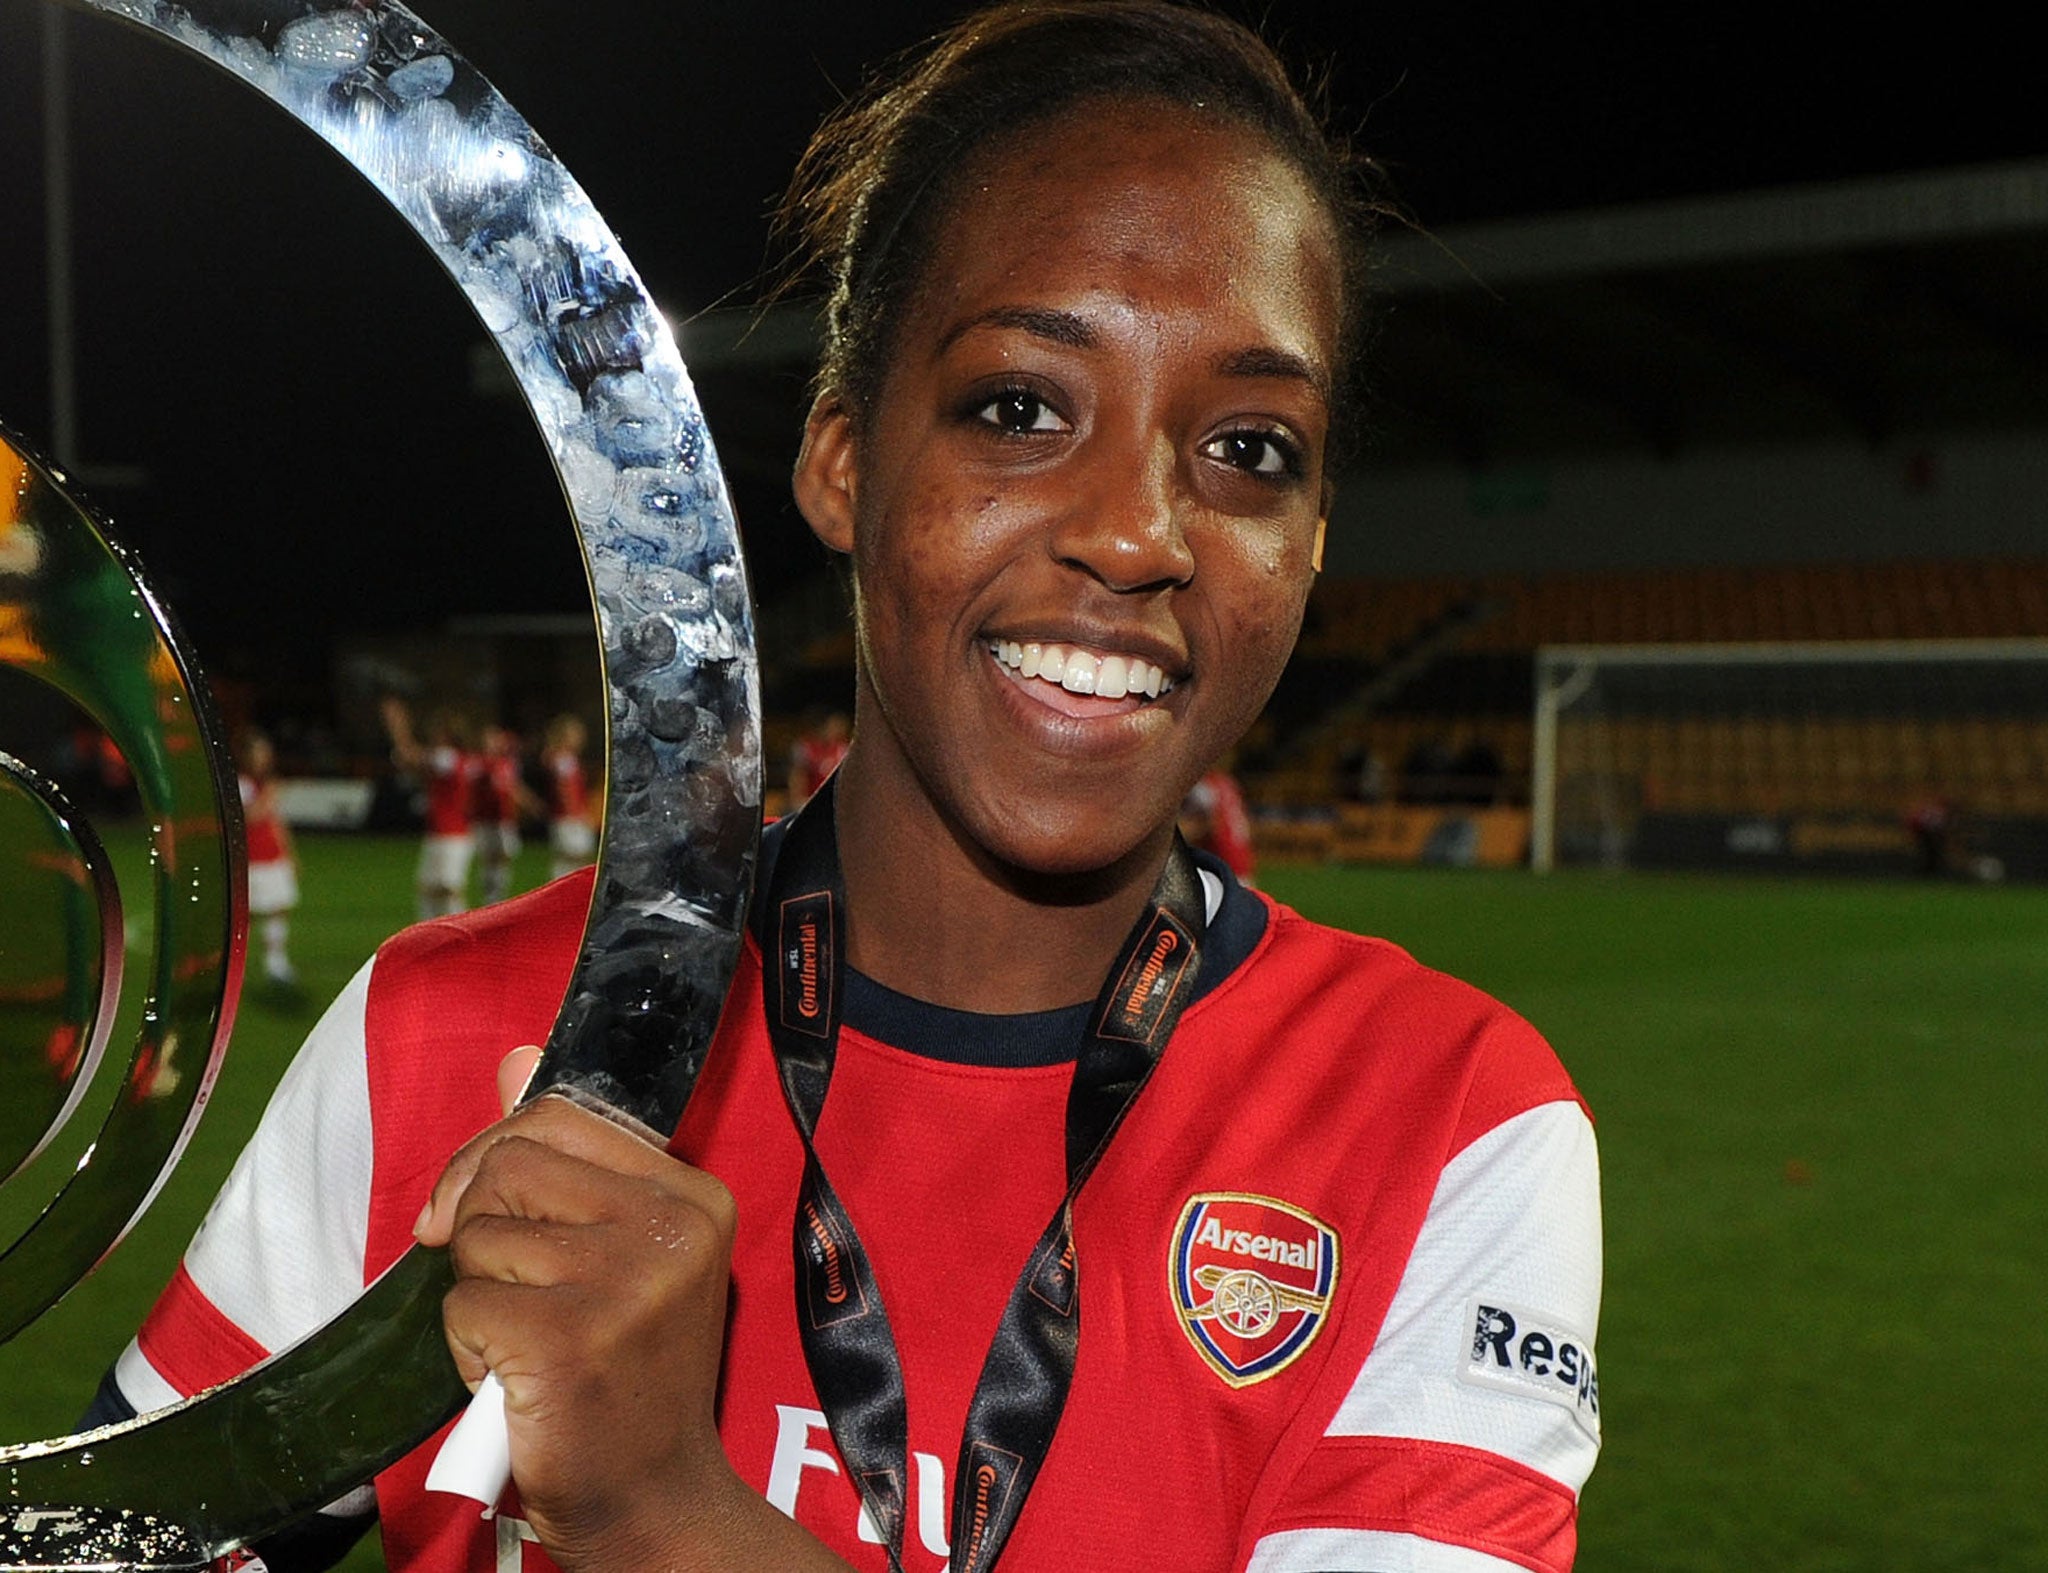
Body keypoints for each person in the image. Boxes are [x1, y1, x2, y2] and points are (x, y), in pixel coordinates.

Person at [93, 7, 1602, 1572]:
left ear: (1314, 543)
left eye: (1248, 448)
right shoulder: (452, 1040)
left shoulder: (1449, 1129)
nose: (1142, 531)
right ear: (839, 460)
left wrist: (660, 1514)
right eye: (1019, 406)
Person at [382, 698, 477, 919]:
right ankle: (433, 938)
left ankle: (459, 938)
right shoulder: (457, 759)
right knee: (431, 889)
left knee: (447, 889)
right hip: (444, 831)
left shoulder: (449, 756)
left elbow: (410, 756)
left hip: (451, 832)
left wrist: (398, 726)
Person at [236, 727, 300, 985]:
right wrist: (269, 795)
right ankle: (230, 967)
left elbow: (276, 821)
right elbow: (249, 817)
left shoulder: (265, 784)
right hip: (252, 859)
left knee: (279, 907)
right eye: (260, 753)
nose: (266, 758)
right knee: (244, 915)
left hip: (273, 856)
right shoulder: (241, 783)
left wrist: (289, 853)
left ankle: (276, 961)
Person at [471, 724, 541, 906]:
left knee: (505, 855)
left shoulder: (506, 764)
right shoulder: (478, 763)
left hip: (504, 818)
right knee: (489, 857)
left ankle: (498, 893)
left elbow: (513, 787)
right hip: (485, 819)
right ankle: (490, 896)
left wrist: (531, 802)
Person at [540, 714, 597, 880]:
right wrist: (576, 813)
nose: (581, 738)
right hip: (568, 817)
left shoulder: (566, 758)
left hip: (569, 816)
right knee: (573, 860)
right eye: (577, 734)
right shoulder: (563, 759)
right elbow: (564, 789)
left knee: (575, 861)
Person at [788, 710, 852, 807]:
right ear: (824, 727)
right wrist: (797, 798)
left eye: (840, 728)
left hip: (833, 801)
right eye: (833, 727)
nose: (837, 731)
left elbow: (847, 779)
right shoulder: (807, 748)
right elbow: (798, 775)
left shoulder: (843, 750)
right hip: (810, 799)